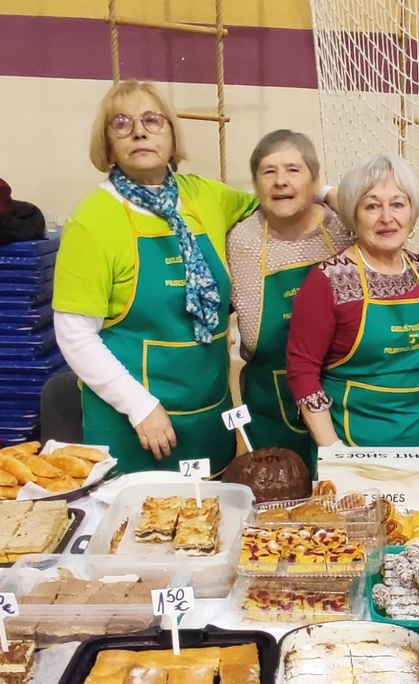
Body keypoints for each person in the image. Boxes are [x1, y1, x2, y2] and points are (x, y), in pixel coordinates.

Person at [52, 80, 257, 473]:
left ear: (172, 133)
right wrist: (139, 407)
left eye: (152, 120)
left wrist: (330, 193)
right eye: (121, 123)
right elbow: (74, 334)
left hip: (208, 417)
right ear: (107, 143)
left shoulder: (205, 197)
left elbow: (278, 200)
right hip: (133, 427)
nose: (139, 132)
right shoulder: (92, 221)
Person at [284, 154, 419, 448]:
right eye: (372, 206)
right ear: (353, 214)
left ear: (412, 212)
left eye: (398, 204)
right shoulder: (327, 281)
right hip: (351, 446)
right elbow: (302, 371)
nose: (387, 217)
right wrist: (333, 451)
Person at [227, 130, 350, 461]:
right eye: (269, 171)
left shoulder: (343, 229)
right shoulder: (241, 241)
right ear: (256, 184)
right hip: (269, 409)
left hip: (342, 407)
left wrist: (333, 195)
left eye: (293, 169)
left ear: (315, 180)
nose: (281, 181)